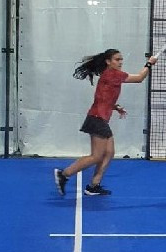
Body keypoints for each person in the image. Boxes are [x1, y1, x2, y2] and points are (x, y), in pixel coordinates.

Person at [54, 49, 157, 196]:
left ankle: (93, 186)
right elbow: (140, 78)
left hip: (99, 118)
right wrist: (149, 64)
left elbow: (102, 98)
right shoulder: (113, 74)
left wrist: (115, 107)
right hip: (97, 119)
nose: (120, 62)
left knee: (109, 152)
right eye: (117, 59)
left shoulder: (108, 75)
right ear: (108, 62)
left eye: (121, 59)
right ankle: (64, 174)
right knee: (96, 156)